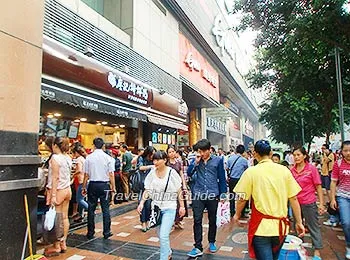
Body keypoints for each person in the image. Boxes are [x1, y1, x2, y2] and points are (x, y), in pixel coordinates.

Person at [233, 140, 305, 260]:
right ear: (271, 153)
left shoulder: (251, 172)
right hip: (281, 228)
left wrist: (236, 215)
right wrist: (299, 222)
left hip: (261, 228)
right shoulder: (284, 171)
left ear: (255, 154)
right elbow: (293, 198)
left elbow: (242, 198)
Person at [137, 151, 185, 260]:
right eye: (154, 159)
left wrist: (181, 206)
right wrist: (141, 203)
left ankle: (164, 258)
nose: (155, 162)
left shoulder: (171, 173)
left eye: (158, 159)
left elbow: (179, 190)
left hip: (170, 207)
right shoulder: (152, 173)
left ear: (165, 160)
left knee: (163, 235)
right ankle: (168, 251)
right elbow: (147, 189)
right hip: (156, 208)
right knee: (159, 234)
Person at [187, 139, 227, 257]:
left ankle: (212, 241)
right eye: (199, 151)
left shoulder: (218, 160)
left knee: (212, 219)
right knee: (197, 220)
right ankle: (198, 246)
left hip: (212, 194)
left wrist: (223, 193)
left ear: (209, 150)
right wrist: (195, 162)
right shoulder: (196, 160)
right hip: (198, 194)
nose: (202, 153)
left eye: (204, 151)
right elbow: (189, 173)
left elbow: (222, 177)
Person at [291, 147, 324, 260]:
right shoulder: (292, 171)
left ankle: (317, 251)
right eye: (294, 155)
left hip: (309, 202)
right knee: (297, 227)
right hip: (296, 204)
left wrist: (321, 203)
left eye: (298, 155)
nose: (296, 157)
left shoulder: (311, 169)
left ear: (304, 156)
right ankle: (300, 249)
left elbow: (318, 187)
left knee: (313, 226)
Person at [82, 138, 116, 240]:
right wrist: (113, 187)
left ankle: (90, 232)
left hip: (92, 185)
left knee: (91, 209)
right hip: (105, 186)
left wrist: (84, 187)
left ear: (94, 145)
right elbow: (111, 174)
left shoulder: (89, 158)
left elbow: (86, 175)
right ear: (103, 146)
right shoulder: (108, 158)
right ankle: (106, 232)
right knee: (105, 208)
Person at [44, 137, 72, 256]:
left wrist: (53, 195)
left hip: (59, 190)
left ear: (55, 145)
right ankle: (63, 242)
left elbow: (55, 177)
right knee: (64, 218)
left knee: (57, 219)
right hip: (67, 190)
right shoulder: (68, 158)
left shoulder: (55, 158)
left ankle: (56, 246)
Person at [330, 140, 350, 260]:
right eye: (345, 150)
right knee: (346, 223)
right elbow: (333, 182)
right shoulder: (338, 164)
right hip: (343, 197)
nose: (348, 153)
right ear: (341, 151)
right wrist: (332, 199)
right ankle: (348, 245)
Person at [167, 145, 188, 229]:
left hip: (178, 186)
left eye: (173, 151)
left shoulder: (178, 162)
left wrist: (184, 185)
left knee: (180, 204)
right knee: (171, 204)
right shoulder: (166, 163)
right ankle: (171, 221)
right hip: (169, 187)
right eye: (169, 152)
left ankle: (178, 221)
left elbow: (181, 174)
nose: (171, 153)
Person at [226, 144, 249, 217]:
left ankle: (232, 212)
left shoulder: (230, 158)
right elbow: (246, 170)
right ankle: (241, 213)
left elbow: (227, 168)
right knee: (241, 196)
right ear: (243, 152)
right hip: (241, 180)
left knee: (232, 196)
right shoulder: (244, 160)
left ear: (236, 150)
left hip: (232, 179)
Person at [138, 146, 156, 232]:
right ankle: (143, 222)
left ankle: (148, 221)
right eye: (152, 154)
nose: (153, 156)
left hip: (151, 184)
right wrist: (150, 166)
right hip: (142, 184)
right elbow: (140, 167)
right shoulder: (141, 158)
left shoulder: (153, 160)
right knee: (142, 204)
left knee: (148, 205)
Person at [321, 143, 338, 226]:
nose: (323, 150)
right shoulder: (324, 155)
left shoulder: (331, 155)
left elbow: (326, 161)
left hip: (329, 174)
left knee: (330, 192)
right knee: (328, 191)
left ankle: (334, 218)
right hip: (324, 173)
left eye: (324, 148)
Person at [72, 143, 88, 222]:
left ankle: (90, 210)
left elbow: (79, 170)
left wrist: (72, 175)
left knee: (79, 200)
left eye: (73, 153)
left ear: (76, 152)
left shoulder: (78, 160)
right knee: (82, 198)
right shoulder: (83, 159)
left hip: (80, 181)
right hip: (85, 180)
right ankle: (81, 214)